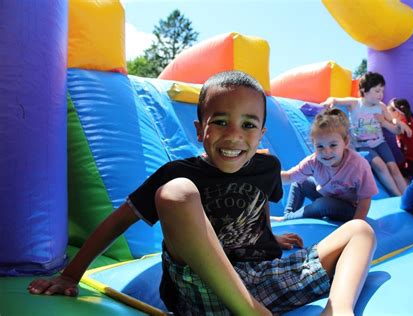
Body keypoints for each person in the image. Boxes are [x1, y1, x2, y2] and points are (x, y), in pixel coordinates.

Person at [28, 71, 376, 315]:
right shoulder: (180, 173)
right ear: (200, 130)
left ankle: (338, 309)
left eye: (248, 125)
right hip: (201, 290)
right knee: (176, 193)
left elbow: (259, 209)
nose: (234, 135)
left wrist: (270, 238)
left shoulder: (267, 167)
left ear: (261, 133)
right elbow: (117, 221)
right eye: (221, 121)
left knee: (360, 230)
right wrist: (70, 275)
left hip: (264, 278)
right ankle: (250, 312)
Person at [272, 108, 378, 222]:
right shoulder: (313, 161)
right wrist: (265, 176)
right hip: (326, 197)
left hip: (349, 209)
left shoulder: (358, 166)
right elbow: (289, 176)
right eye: (320, 146)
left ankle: (286, 219)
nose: (326, 152)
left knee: (324, 204)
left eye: (333, 145)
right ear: (313, 144)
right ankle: (289, 214)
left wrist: (357, 223)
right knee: (300, 181)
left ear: (345, 142)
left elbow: (365, 198)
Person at [321, 72, 411, 196]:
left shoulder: (381, 107)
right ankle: (398, 196)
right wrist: (329, 101)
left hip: (380, 143)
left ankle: (407, 195)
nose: (381, 95)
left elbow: (393, 123)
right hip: (362, 145)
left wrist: (400, 124)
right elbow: (335, 99)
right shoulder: (355, 103)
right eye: (377, 91)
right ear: (364, 90)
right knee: (381, 166)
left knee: (394, 168)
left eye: (382, 91)